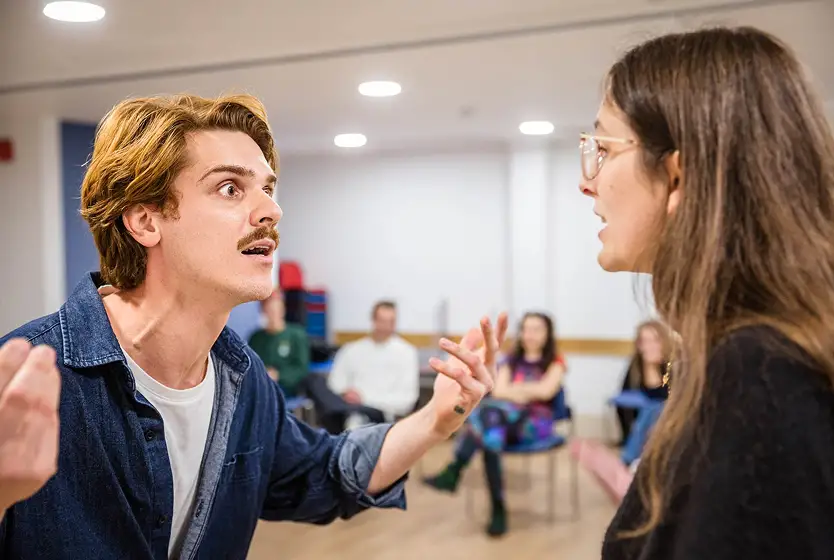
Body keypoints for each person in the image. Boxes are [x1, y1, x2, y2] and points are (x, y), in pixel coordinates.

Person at [0, 93, 508, 559]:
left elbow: (324, 473)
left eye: (267, 189)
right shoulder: (29, 378)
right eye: (229, 188)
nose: (272, 210)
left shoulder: (241, 383)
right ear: (146, 221)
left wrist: (437, 418)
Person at [578, 26, 834, 559]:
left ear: (679, 177)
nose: (588, 181)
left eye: (603, 149)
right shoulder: (748, 354)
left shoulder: (757, 377)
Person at [423, 312, 566, 537]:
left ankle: (456, 473)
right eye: (527, 329)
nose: (530, 334)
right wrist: (529, 391)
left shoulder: (556, 361)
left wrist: (516, 392)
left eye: (537, 329)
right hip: (505, 419)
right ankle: (496, 507)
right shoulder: (510, 359)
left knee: (487, 416)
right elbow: (500, 391)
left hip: (537, 424)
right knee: (491, 428)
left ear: (548, 333)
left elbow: (546, 391)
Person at [324, 301, 420, 430]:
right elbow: (335, 383)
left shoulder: (407, 353)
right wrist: (346, 392)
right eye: (382, 321)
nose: (385, 327)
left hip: (387, 418)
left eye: (390, 322)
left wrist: (365, 399)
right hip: (352, 414)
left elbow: (407, 399)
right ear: (373, 320)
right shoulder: (351, 350)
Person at [614, 320, 670, 466]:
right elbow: (623, 403)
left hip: (665, 427)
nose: (650, 346)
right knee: (649, 410)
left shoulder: (672, 367)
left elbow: (667, 396)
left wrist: (653, 367)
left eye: (655, 341)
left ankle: (629, 460)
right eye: (645, 341)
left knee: (654, 408)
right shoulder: (635, 368)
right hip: (639, 430)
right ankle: (633, 459)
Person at [248, 289, 311, 396]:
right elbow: (250, 365)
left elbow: (301, 368)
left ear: (283, 310)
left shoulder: (296, 335)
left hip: (287, 387)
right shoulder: (256, 338)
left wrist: (279, 375)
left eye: (277, 309)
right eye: (269, 310)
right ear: (263, 311)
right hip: (261, 384)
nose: (273, 314)